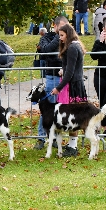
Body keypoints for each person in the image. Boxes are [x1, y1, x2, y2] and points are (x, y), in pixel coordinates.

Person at [49, 24, 87, 157]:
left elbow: (70, 72)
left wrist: (58, 88)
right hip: (75, 84)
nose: (60, 39)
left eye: (62, 35)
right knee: (73, 117)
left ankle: (73, 146)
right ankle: (72, 144)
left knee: (73, 117)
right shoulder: (76, 46)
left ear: (68, 34)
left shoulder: (71, 48)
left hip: (73, 87)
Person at [33, 15, 68, 150]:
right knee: (47, 108)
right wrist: (57, 37)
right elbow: (45, 52)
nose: (66, 29)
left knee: (62, 108)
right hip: (52, 76)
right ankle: (41, 137)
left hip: (66, 77)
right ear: (55, 26)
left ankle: (55, 137)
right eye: (63, 26)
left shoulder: (69, 37)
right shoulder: (47, 37)